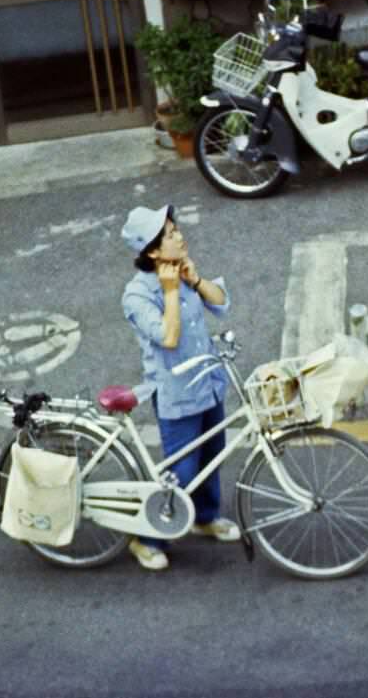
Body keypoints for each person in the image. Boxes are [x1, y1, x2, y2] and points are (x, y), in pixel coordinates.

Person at [120, 204, 241, 571]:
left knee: (212, 455)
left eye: (176, 229)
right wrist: (171, 291)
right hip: (176, 394)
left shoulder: (181, 272)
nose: (180, 236)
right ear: (153, 250)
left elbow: (221, 303)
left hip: (208, 383)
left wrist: (196, 280)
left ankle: (205, 516)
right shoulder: (138, 295)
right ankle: (146, 538)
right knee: (181, 471)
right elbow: (168, 337)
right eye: (170, 234)